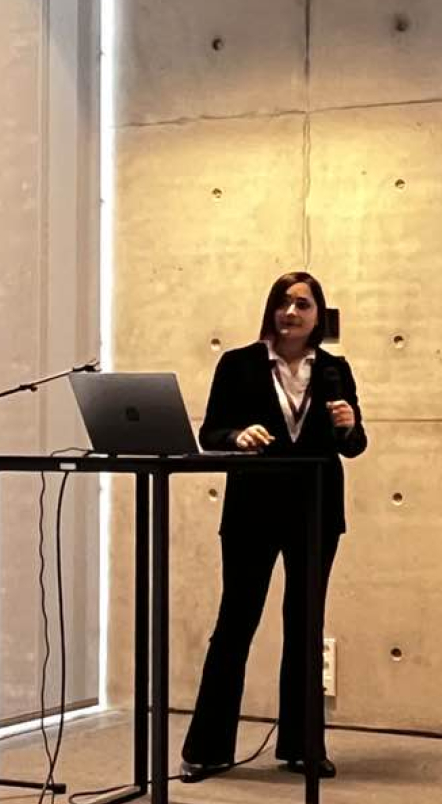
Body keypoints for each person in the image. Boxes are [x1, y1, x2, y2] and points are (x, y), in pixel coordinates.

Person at [180, 271, 366, 783]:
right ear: (270, 309)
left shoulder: (335, 369)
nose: (291, 312)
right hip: (252, 509)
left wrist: (351, 426)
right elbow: (210, 431)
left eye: (303, 304)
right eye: (283, 302)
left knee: (305, 625)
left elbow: (353, 446)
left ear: (318, 315)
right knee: (235, 623)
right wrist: (237, 436)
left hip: (316, 509)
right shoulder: (238, 364)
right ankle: (207, 749)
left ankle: (303, 747)